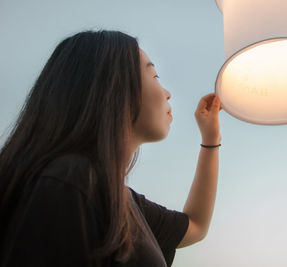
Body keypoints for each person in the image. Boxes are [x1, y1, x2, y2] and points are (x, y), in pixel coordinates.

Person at [0, 30, 222, 267]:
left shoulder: (120, 199)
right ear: (114, 86)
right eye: (154, 76)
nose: (167, 93)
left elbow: (196, 226)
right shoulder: (72, 181)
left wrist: (211, 138)